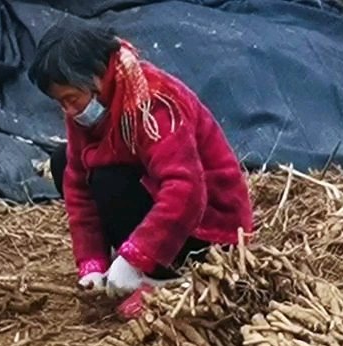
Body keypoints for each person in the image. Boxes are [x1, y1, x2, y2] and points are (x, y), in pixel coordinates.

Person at [29, 24, 253, 316]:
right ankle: (138, 265)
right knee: (65, 162)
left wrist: (136, 257)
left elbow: (185, 190)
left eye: (71, 99)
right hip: (156, 198)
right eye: (61, 103)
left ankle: (165, 276)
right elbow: (78, 185)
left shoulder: (154, 102)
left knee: (109, 178)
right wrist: (91, 261)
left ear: (96, 78)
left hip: (207, 225)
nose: (68, 111)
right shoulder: (86, 108)